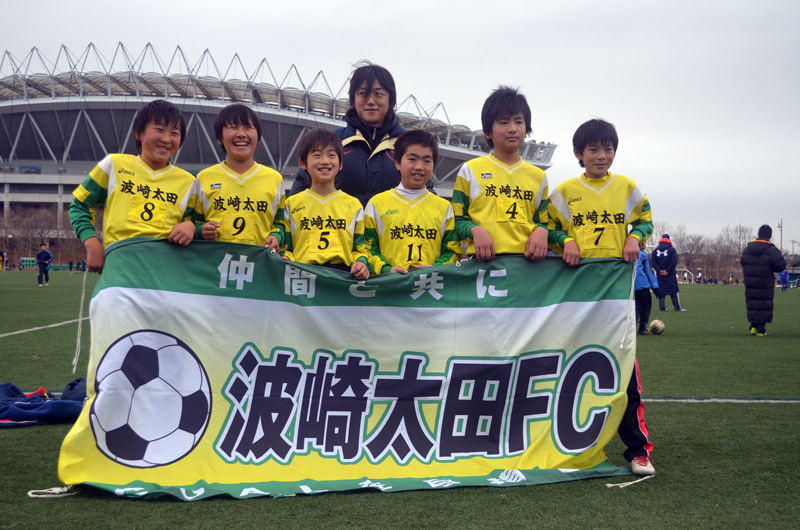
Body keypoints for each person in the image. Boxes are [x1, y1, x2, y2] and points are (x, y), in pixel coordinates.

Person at [547, 118, 655, 476]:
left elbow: (646, 220)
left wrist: (634, 237)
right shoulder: (563, 192)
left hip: (615, 298)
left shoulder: (628, 188)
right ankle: (557, 445)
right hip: (574, 297)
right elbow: (546, 228)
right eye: (593, 149)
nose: (601, 155)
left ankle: (638, 451)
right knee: (563, 369)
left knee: (624, 373)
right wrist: (566, 240)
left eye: (608, 149)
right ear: (578, 153)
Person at [69, 100, 197, 273]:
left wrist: (191, 227)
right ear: (138, 133)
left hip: (164, 274)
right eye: (159, 130)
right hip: (118, 269)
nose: (166, 139)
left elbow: (198, 224)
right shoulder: (113, 165)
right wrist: (92, 243)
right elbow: (80, 205)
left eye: (174, 133)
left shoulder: (188, 182)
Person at [289, 62, 431, 205]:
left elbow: (427, 194)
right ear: (353, 99)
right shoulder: (334, 142)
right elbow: (301, 191)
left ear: (391, 99)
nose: (370, 101)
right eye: (362, 93)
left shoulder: (408, 146)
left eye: (378, 94)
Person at [452, 86, 549, 262]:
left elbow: (543, 222)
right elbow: (456, 221)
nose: (512, 129)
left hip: (527, 266)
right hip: (483, 265)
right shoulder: (469, 171)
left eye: (518, 122)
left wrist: (542, 231)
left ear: (527, 128)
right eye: (504, 122)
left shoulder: (539, 176)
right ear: (488, 131)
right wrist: (475, 230)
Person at [364, 130, 461, 274]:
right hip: (388, 284)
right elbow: (367, 249)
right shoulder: (376, 204)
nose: (419, 167)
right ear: (397, 163)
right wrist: (386, 269)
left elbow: (453, 252)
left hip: (429, 285)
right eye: (412, 159)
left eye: (427, 161)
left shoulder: (445, 207)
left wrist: (436, 268)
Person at [281, 128, 370, 280]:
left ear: (340, 164)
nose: (324, 161)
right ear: (303, 163)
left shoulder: (353, 205)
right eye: (317, 155)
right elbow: (286, 247)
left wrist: (362, 262)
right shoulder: (292, 204)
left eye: (331, 155)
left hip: (341, 280)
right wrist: (285, 257)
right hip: (302, 279)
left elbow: (360, 249)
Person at [194, 104, 285, 248]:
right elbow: (191, 222)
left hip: (258, 261)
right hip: (217, 260)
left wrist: (276, 237)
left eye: (248, 127)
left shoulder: (275, 179)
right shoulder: (204, 178)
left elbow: (281, 225)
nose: (241, 134)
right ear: (220, 138)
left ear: (258, 138)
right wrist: (200, 230)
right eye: (233, 127)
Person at [741, 224, 786, 336]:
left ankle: (753, 327)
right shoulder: (771, 250)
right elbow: (781, 266)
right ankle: (761, 329)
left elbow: (743, 262)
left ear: (758, 234)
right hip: (765, 281)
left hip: (750, 282)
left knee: (753, 302)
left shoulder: (748, 249)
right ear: (770, 236)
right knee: (764, 303)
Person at [652, 234, 687, 311]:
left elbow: (654, 263)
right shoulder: (672, 250)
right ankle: (677, 308)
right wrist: (667, 270)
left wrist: (659, 270)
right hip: (670, 274)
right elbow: (674, 261)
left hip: (660, 275)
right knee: (674, 290)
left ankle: (662, 307)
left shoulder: (655, 251)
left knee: (661, 290)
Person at [634, 241, 660, 334]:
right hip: (642, 286)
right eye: (644, 244)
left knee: (634, 307)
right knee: (646, 307)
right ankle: (642, 327)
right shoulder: (643, 255)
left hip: (629, 287)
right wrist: (655, 287)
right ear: (640, 245)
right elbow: (648, 272)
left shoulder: (624, 254)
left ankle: (631, 328)